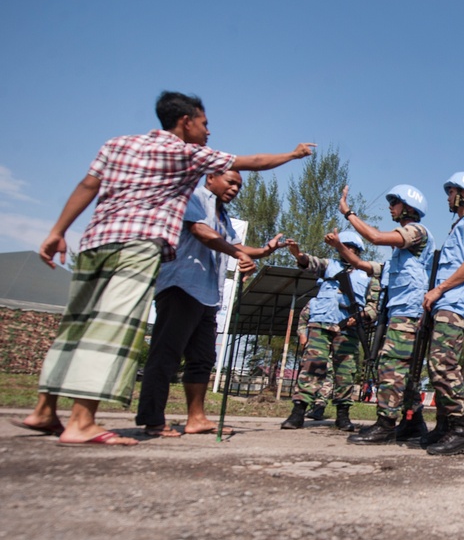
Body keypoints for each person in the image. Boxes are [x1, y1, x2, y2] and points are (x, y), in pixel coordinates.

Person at [12, 91, 314, 446]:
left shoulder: (118, 144)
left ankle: (45, 410)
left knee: (78, 324)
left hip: (99, 240)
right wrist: (294, 154)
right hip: (142, 248)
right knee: (113, 328)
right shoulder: (187, 154)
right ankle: (83, 422)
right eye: (204, 124)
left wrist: (57, 231)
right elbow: (255, 162)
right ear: (186, 121)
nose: (208, 132)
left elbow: (88, 185)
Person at [134, 170, 289, 437]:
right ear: (211, 179)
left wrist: (266, 250)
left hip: (207, 294)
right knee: (166, 354)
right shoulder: (194, 197)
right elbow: (200, 231)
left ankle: (196, 418)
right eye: (230, 182)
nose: (234, 189)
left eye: (239, 186)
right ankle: (153, 419)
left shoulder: (223, 215)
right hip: (181, 286)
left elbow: (238, 246)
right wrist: (237, 254)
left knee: (203, 358)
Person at [329, 184, 435, 445]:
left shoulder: (416, 232)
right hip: (398, 314)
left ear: (408, 207)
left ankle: (386, 424)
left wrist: (348, 213)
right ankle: (413, 422)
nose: (390, 207)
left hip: (408, 314)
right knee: (403, 371)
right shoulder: (400, 254)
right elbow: (362, 265)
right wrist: (341, 247)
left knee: (391, 366)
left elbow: (375, 237)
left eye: (395, 202)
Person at [418, 172, 464, 455]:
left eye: (452, 191)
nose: (448, 196)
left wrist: (439, 290)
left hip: (456, 303)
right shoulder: (458, 226)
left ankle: (461, 431)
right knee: (437, 367)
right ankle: (445, 427)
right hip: (446, 303)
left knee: (443, 365)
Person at [280, 232, 376, 432]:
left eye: (350, 247)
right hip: (321, 323)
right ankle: (298, 413)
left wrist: (362, 316)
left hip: (347, 328)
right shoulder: (328, 265)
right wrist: (298, 254)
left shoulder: (367, 273)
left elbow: (374, 305)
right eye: (343, 246)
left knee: (346, 371)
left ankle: (343, 416)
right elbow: (308, 262)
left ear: (357, 250)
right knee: (312, 366)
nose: (345, 250)